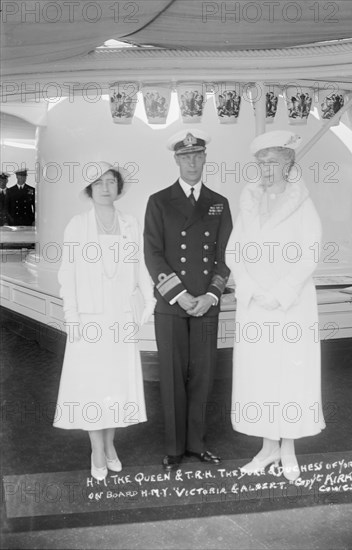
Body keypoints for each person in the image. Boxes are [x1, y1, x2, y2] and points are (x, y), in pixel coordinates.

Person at [226, 131, 325, 481]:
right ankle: (268, 448)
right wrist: (252, 289)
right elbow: (234, 252)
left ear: (288, 164)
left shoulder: (302, 203)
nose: (265, 169)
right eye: (260, 162)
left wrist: (280, 293)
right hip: (255, 307)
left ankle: (288, 449)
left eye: (272, 162)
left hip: (291, 307)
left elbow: (310, 253)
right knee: (261, 375)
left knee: (291, 375)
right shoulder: (249, 201)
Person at [53, 162, 155, 481]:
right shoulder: (77, 225)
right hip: (89, 317)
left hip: (120, 316)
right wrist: (73, 317)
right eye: (98, 183)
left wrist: (145, 307)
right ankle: (96, 449)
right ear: (89, 189)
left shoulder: (129, 222)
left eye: (110, 182)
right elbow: (67, 274)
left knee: (114, 385)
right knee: (92, 386)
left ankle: (110, 445)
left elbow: (142, 268)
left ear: (118, 187)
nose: (105, 187)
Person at [144, 129, 233, 471]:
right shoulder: (159, 200)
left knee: (203, 377)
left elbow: (227, 255)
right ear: (176, 160)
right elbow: (153, 253)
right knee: (171, 376)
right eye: (185, 157)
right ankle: (174, 447)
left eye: (197, 156)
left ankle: (197, 444)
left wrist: (211, 294)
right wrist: (181, 296)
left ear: (205, 158)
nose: (192, 162)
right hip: (171, 305)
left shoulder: (218, 202)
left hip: (207, 305)